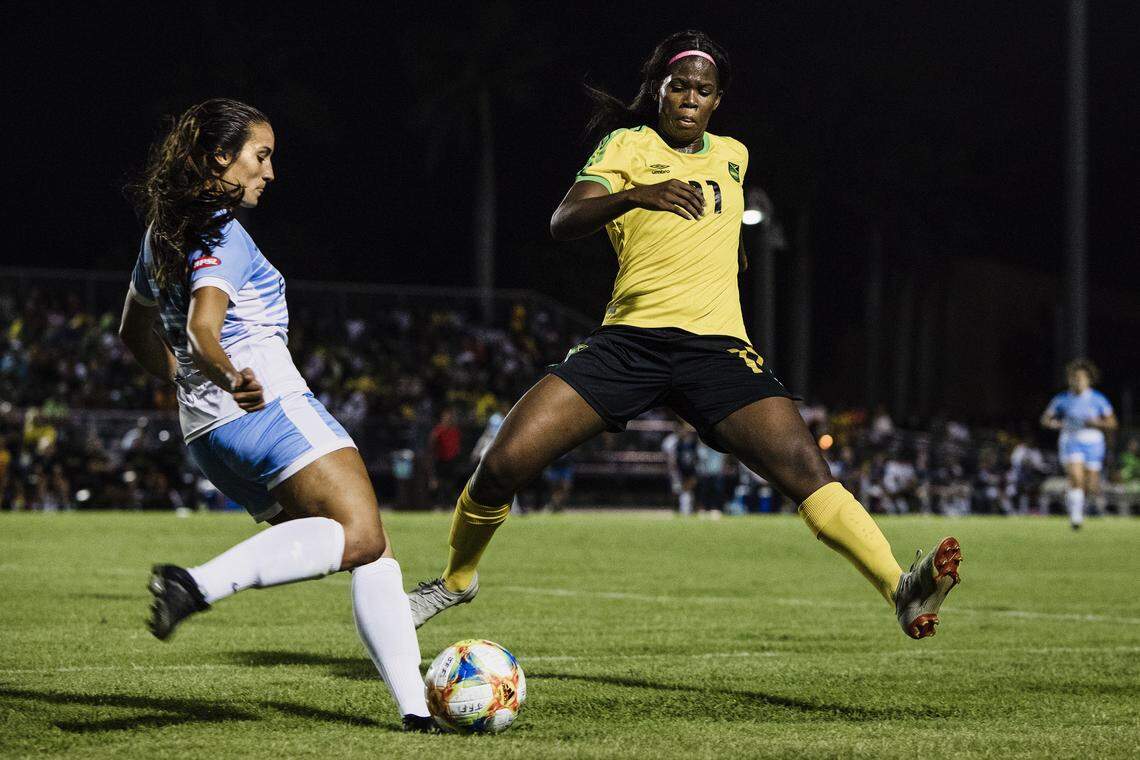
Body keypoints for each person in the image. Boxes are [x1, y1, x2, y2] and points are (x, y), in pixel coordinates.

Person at [408, 30, 961, 640]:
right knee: (503, 461)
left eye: (703, 89)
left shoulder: (734, 155)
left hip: (715, 348)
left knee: (807, 469)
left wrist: (730, 261)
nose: (690, 97)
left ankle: (902, 591)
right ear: (660, 90)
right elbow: (564, 220)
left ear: (717, 100)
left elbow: (719, 235)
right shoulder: (627, 144)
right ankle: (456, 581)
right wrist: (637, 193)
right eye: (679, 86)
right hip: (629, 343)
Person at [118, 99, 432, 731]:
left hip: (208, 436)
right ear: (219, 157)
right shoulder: (220, 232)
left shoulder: (162, 233)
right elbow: (207, 327)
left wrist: (190, 383)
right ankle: (196, 584)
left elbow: (132, 330)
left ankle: (417, 711)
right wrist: (230, 375)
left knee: (371, 553)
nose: (269, 172)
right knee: (363, 535)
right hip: (269, 412)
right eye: (260, 156)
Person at [1040, 359, 1117, 529]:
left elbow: (1112, 423)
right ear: (1070, 379)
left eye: (1081, 378)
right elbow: (1046, 419)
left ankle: (1082, 504)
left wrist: (1097, 423)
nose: (1078, 381)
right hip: (1071, 439)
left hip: (1093, 441)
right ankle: (1076, 517)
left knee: (1091, 484)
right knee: (1076, 477)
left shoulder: (1098, 399)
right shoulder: (1062, 399)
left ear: (1088, 380)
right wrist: (1056, 424)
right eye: (1075, 378)